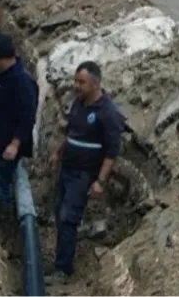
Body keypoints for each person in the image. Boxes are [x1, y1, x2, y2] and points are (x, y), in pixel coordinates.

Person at [45, 61, 124, 285]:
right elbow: (70, 133)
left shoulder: (108, 113)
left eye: (82, 82)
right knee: (59, 213)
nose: (77, 86)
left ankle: (63, 269)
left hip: (83, 175)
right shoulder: (78, 104)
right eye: (76, 81)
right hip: (67, 169)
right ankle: (61, 259)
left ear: (96, 84)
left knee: (69, 218)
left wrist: (100, 181)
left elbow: (111, 152)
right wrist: (57, 153)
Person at [0, 34, 39, 242]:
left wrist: (15, 144)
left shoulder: (23, 82)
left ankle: (5, 231)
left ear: (4, 58)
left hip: (4, 147)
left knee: (0, 187)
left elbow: (28, 117)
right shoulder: (0, 75)